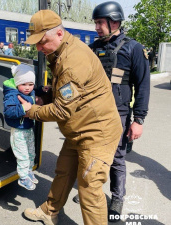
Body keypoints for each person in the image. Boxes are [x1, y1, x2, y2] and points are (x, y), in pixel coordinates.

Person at [18, 9, 123, 225]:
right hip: (79, 128)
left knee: (90, 188)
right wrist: (48, 93)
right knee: (63, 172)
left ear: (58, 34)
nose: (38, 48)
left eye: (42, 41)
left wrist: (31, 111)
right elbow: (70, 95)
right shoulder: (59, 51)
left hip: (96, 133)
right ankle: (49, 211)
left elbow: (61, 110)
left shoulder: (73, 61)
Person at [72, 2, 150, 222]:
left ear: (115, 21)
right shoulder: (93, 48)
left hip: (119, 114)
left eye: (100, 22)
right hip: (90, 113)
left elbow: (143, 86)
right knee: (87, 153)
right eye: (95, 22)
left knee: (116, 158)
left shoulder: (133, 48)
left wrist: (139, 120)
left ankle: (117, 199)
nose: (96, 27)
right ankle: (92, 192)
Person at [3, 64, 39, 190]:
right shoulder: (12, 95)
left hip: (28, 128)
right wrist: (24, 108)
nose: (28, 88)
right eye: (24, 84)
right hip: (18, 130)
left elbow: (34, 93)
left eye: (31, 84)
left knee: (31, 153)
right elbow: (9, 111)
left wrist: (42, 90)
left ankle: (28, 171)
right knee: (22, 155)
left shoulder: (30, 91)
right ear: (17, 83)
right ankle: (23, 178)